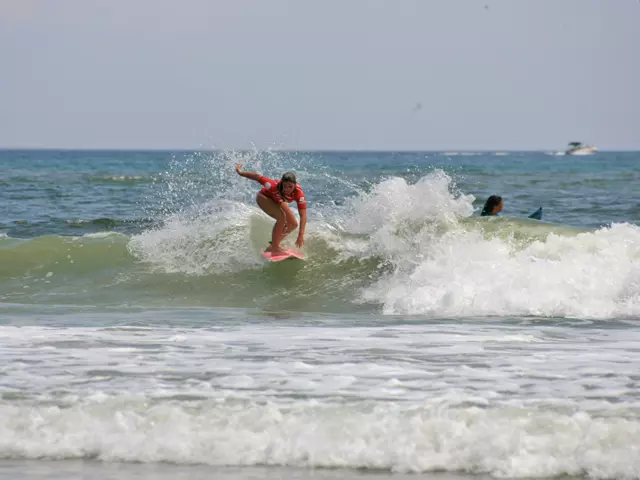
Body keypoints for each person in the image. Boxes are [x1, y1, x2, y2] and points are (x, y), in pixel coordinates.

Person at [235, 163, 307, 255]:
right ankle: (275, 249)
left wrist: (301, 235)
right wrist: (241, 173)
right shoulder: (272, 185)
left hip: (277, 201)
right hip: (263, 197)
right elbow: (257, 177)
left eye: (290, 187)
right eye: (285, 186)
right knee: (281, 218)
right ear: (281, 183)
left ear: (295, 185)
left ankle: (273, 245)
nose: (287, 189)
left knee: (293, 224)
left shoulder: (299, 194)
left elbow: (303, 216)